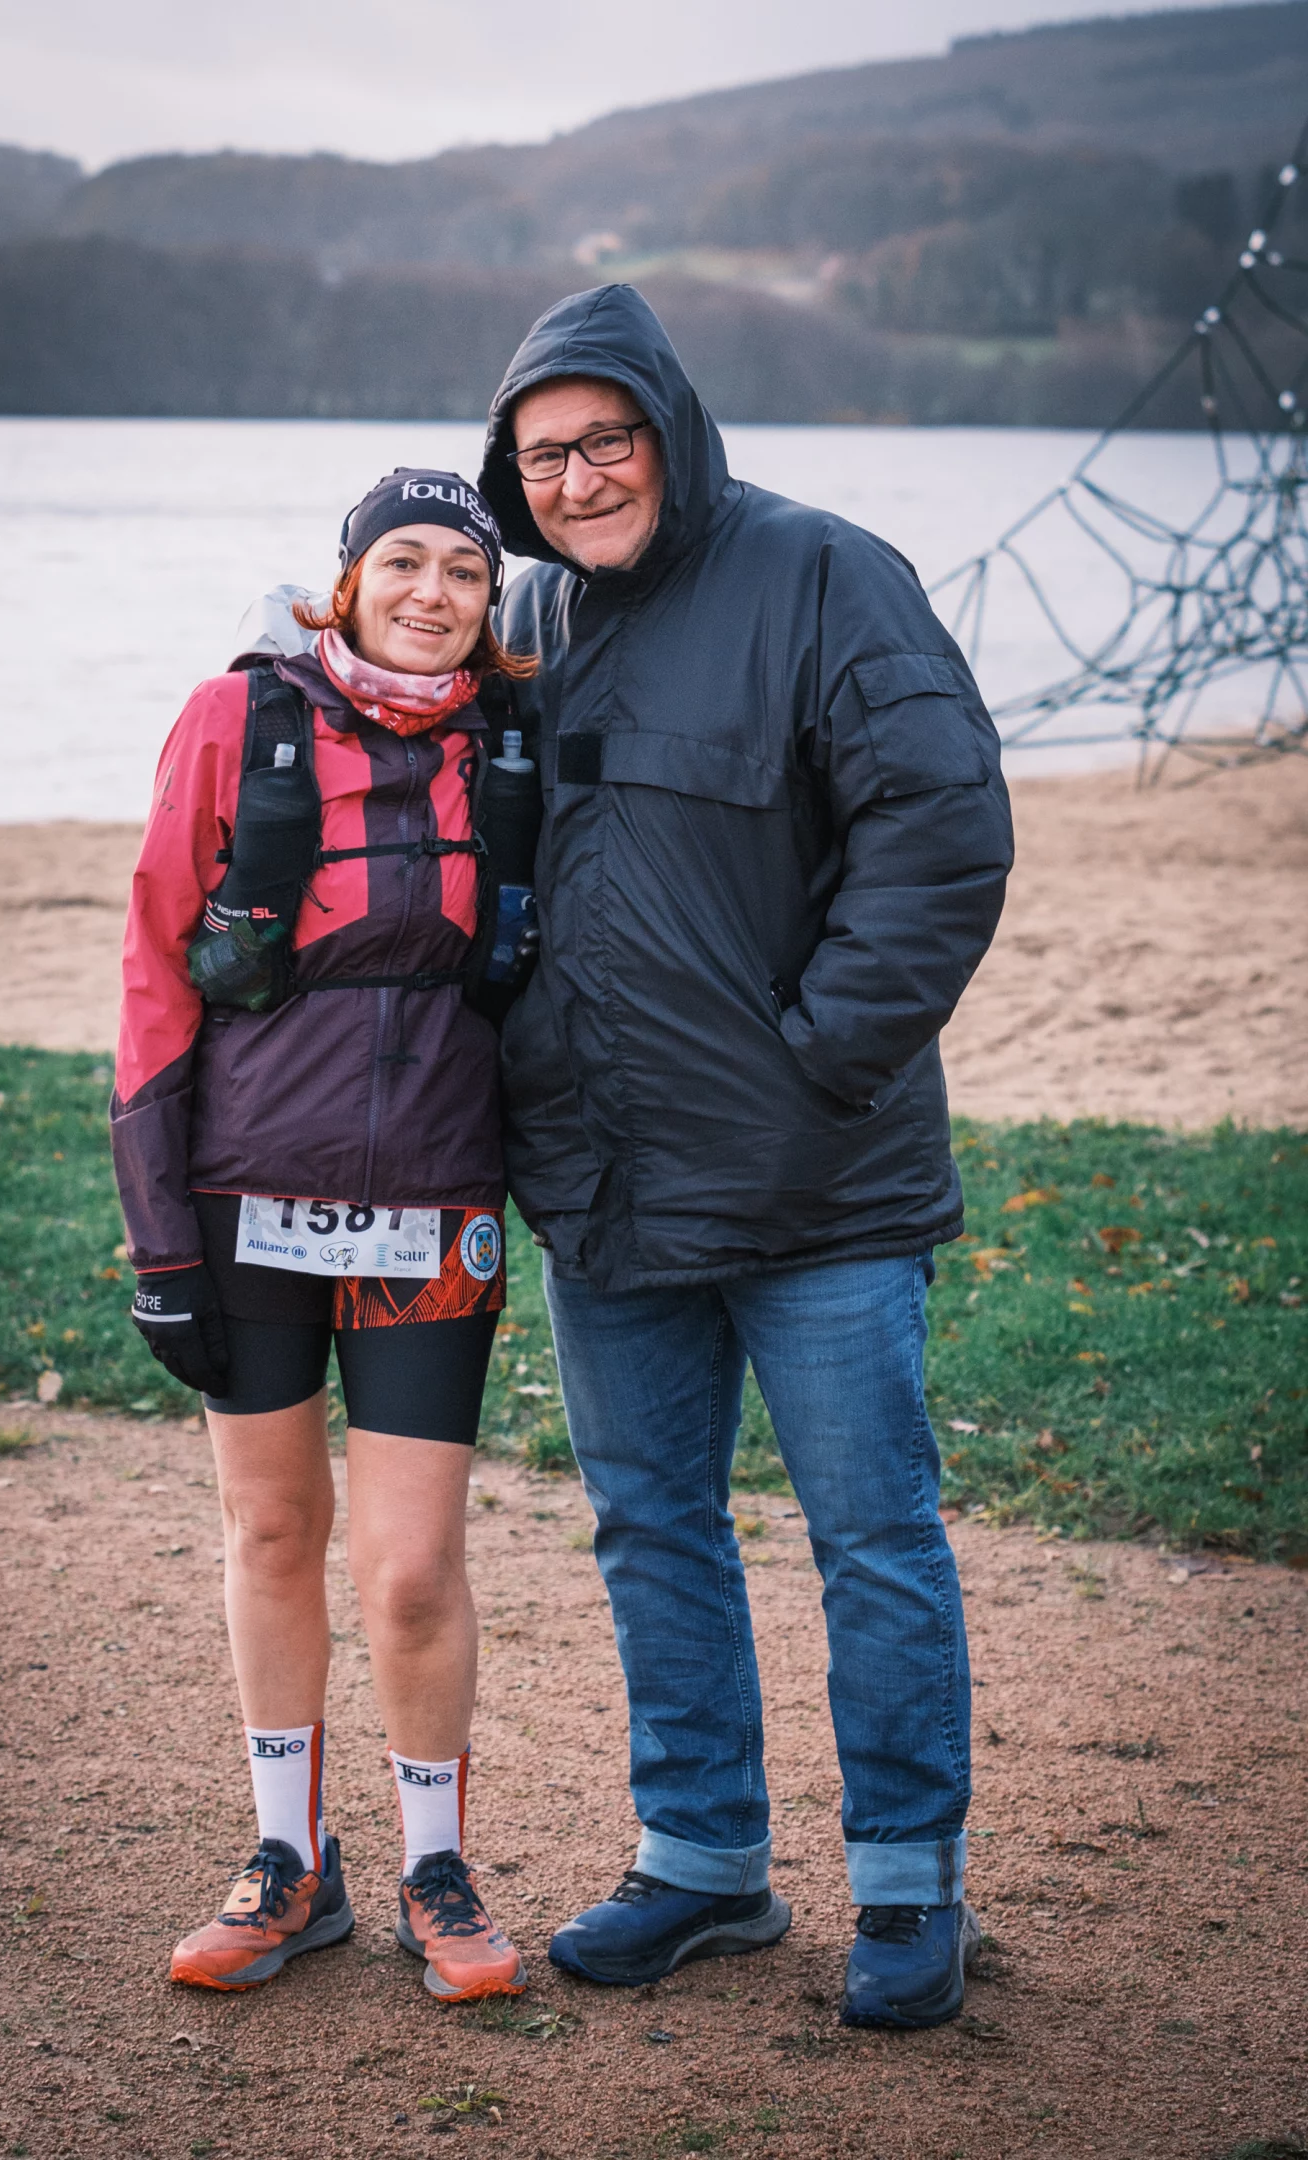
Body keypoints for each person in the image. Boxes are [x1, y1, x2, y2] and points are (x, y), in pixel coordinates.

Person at [476, 286, 1015, 2028]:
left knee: (873, 1537)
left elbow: (943, 829)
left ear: (672, 430)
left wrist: (818, 1058)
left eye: (605, 439)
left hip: (820, 1181)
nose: (577, 479)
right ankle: (703, 1861)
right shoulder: (528, 615)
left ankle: (912, 1886)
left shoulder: (827, 574)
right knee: (652, 1526)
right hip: (607, 1182)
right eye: (542, 456)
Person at [110, 469, 535, 2002]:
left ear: (491, 605)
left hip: (436, 1204)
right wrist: (161, 1243)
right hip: (244, 1203)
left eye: (465, 573)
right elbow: (156, 972)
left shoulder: (514, 740)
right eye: (402, 561)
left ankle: (438, 1868)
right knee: (275, 1531)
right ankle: (290, 1861)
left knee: (412, 1569)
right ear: (345, 582)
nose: (433, 592)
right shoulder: (238, 719)